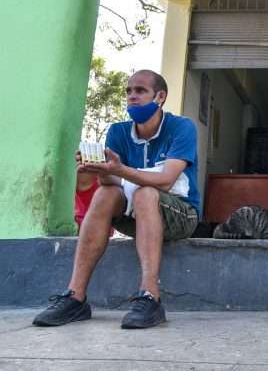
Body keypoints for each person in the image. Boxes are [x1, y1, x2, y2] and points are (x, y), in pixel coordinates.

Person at [33, 70, 200, 329]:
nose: (132, 96)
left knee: (146, 193)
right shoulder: (118, 132)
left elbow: (167, 180)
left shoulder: (181, 127)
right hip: (138, 216)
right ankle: (75, 297)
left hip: (181, 215)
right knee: (105, 194)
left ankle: (150, 297)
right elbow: (110, 183)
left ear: (160, 97)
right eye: (129, 91)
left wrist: (119, 170)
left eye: (140, 90)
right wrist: (94, 172)